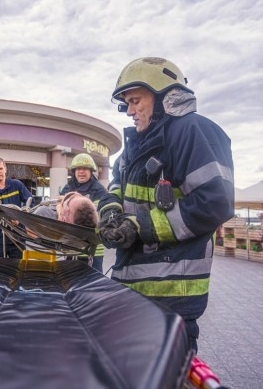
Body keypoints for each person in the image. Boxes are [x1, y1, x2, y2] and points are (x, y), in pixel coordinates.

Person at [97, 57, 235, 352]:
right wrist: (110, 211)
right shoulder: (137, 142)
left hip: (172, 296)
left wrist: (138, 226)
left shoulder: (194, 132)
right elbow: (116, 186)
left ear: (165, 99)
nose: (130, 111)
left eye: (135, 101)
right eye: (127, 103)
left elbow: (214, 203)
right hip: (131, 288)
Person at [60, 153, 107, 271]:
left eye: (85, 168)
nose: (81, 171)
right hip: (71, 247)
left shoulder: (99, 190)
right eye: (78, 169)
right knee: (70, 281)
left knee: (93, 283)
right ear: (74, 171)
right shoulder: (67, 188)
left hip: (93, 247)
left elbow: (95, 217)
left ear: (91, 171)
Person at [0, 157, 32, 260]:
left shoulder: (17, 185)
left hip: (17, 235)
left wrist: (19, 218)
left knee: (19, 268)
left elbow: (30, 202)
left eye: (0, 168)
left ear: (5, 169)